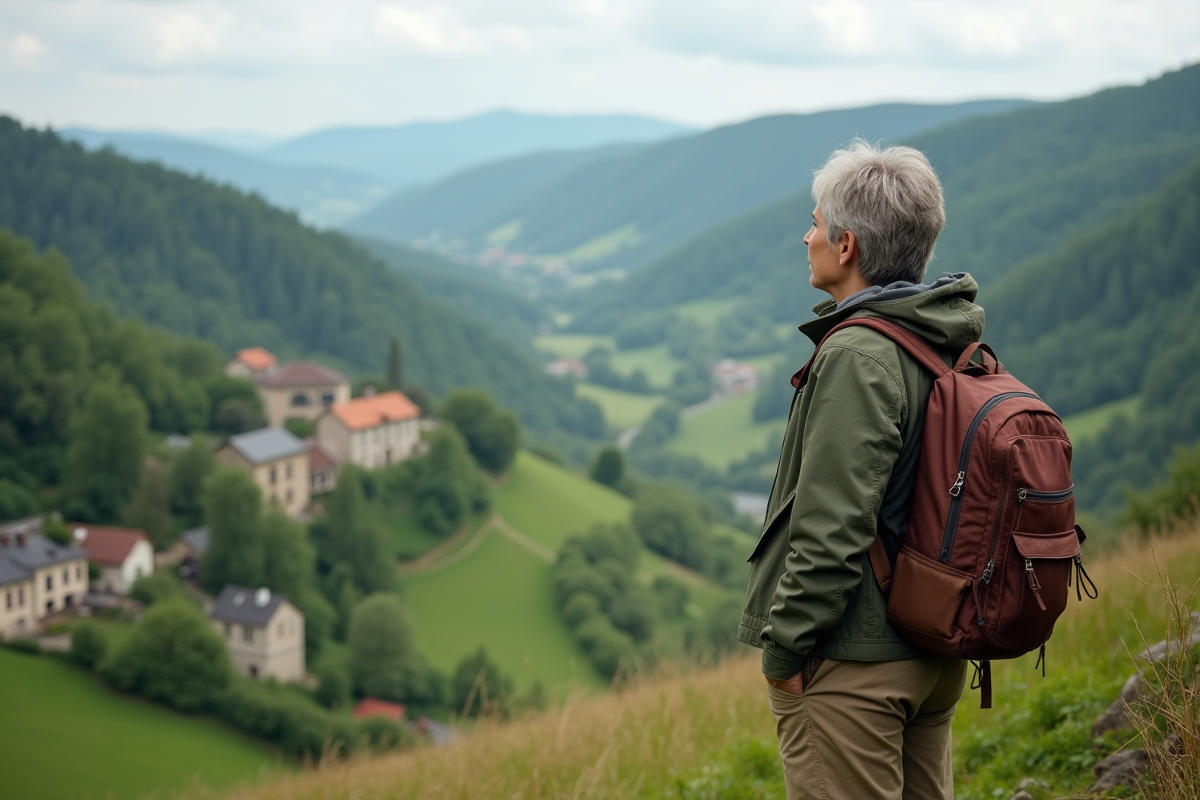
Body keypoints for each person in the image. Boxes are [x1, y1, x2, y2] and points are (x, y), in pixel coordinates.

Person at [738, 139, 985, 800]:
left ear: (846, 245)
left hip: (856, 662)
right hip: (928, 649)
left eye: (816, 223)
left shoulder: (859, 353)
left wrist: (784, 651)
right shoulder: (942, 336)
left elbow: (831, 527)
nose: (806, 236)